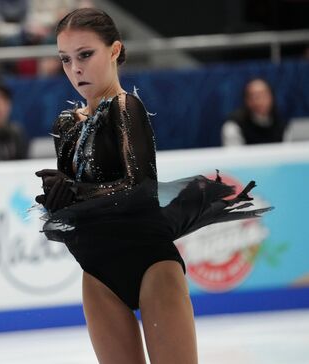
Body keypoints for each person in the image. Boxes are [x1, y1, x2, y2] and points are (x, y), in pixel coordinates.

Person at [34, 8, 272, 364]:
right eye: (65, 59)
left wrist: (78, 192)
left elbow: (139, 186)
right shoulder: (66, 124)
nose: (75, 68)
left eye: (85, 55)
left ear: (114, 50)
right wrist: (58, 200)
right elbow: (77, 206)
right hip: (97, 270)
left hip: (149, 264)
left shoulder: (126, 106)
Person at [221, 78, 287, 146]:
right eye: (255, 96)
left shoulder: (280, 122)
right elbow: (234, 155)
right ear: (247, 100)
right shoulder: (234, 125)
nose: (260, 101)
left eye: (264, 95)